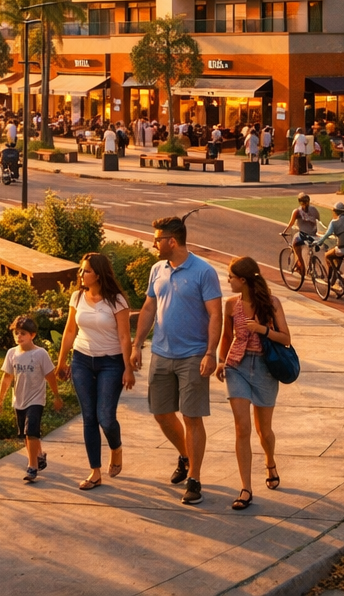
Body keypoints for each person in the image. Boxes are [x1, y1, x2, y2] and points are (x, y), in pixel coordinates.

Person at [131, 215, 223, 505]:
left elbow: (216, 315)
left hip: (193, 356)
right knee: (161, 413)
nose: (154, 243)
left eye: (157, 239)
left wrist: (210, 352)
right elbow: (148, 308)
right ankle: (185, 455)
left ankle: (194, 478)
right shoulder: (157, 269)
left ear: (172, 241)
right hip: (161, 353)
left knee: (192, 417)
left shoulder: (203, 272)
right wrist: (136, 345)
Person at [216, 257, 291, 509]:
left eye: (231, 277)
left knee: (264, 431)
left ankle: (270, 461)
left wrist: (262, 329)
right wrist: (219, 361)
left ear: (243, 280)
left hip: (264, 370)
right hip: (236, 367)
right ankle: (246, 488)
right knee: (242, 427)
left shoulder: (272, 303)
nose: (228, 281)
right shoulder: (229, 305)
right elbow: (226, 336)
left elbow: (286, 338)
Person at [57, 253, 136, 489]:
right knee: (89, 417)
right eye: (81, 270)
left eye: (87, 271)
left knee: (106, 417)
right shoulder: (77, 297)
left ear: (99, 274)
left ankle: (116, 447)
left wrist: (128, 368)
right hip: (82, 360)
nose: (82, 274)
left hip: (111, 363)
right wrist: (61, 362)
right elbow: (70, 330)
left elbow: (124, 337)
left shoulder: (117, 301)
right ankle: (95, 472)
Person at [0, 315, 63, 483]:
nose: (19, 336)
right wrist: (0, 400)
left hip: (36, 400)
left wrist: (56, 396)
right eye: (16, 333)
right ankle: (39, 455)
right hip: (19, 400)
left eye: (23, 333)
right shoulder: (12, 353)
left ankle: (32, 467)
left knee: (31, 432)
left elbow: (50, 376)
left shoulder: (40, 354)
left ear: (32, 335)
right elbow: (7, 378)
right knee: (26, 435)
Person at [312, 201, 344, 286]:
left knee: (328, 255)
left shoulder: (334, 223)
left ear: (335, 212)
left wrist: (319, 242)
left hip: (342, 249)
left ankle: (330, 276)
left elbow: (327, 234)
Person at [283, 192, 322, 265]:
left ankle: (302, 264)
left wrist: (284, 232)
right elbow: (318, 222)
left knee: (295, 244)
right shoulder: (314, 210)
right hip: (314, 235)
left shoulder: (297, 212)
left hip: (303, 235)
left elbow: (291, 223)